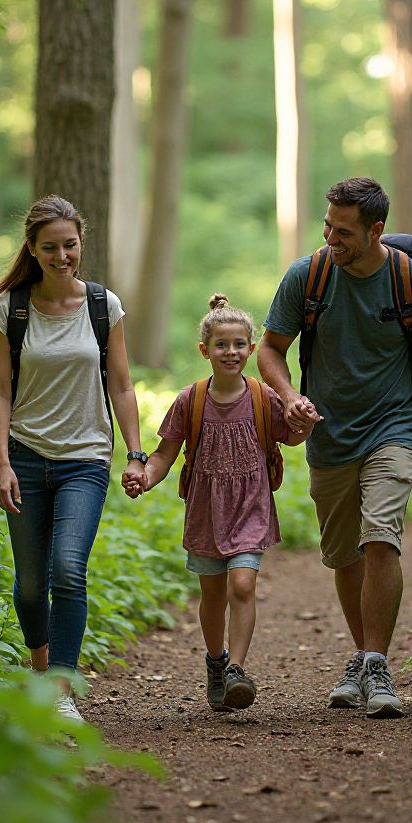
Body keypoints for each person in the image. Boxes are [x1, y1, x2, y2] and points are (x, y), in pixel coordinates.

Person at [258, 177, 412, 719]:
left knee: (380, 537)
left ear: (377, 230)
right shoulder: (309, 275)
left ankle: (375, 662)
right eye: (327, 227)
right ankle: (364, 658)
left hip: (394, 426)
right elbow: (270, 349)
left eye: (343, 231)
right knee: (343, 554)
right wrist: (289, 396)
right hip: (328, 432)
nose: (331, 238)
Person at [0, 194, 148, 722]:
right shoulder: (12, 309)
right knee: (27, 585)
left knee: (68, 569)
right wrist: (1, 463)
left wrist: (135, 453)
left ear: (81, 243)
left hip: (86, 458)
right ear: (33, 249)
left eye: (70, 245)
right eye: (51, 248)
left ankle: (61, 689)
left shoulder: (102, 306)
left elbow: (123, 383)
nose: (62, 256)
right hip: (25, 457)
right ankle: (40, 667)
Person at [123, 294, 317, 712]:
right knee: (211, 595)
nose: (231, 352)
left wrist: (304, 424)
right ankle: (216, 662)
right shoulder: (189, 401)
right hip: (206, 512)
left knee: (242, 585)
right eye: (221, 345)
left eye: (239, 345)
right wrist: (144, 476)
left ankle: (237, 671)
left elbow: (292, 435)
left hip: (250, 507)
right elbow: (164, 455)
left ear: (251, 347)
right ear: (205, 350)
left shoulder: (263, 397)